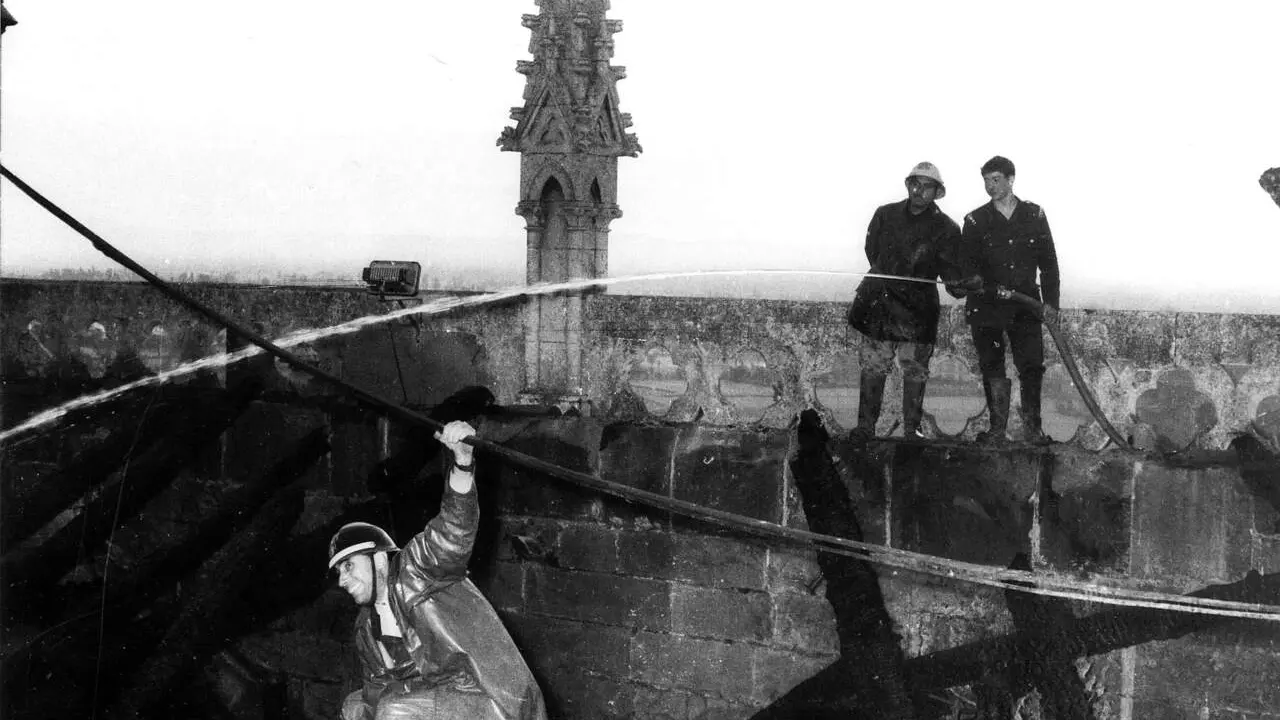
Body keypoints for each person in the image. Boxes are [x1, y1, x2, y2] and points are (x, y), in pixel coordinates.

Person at [330, 420, 547, 720]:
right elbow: (377, 689)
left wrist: (462, 461)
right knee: (354, 708)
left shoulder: (416, 568)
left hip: (482, 693)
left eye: (349, 565)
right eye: (339, 571)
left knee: (396, 712)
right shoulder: (366, 629)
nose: (343, 579)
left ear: (379, 558)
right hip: (436, 699)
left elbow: (453, 532)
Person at [846, 161, 966, 443]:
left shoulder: (947, 228)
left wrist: (962, 283)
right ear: (907, 185)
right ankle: (865, 428)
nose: (919, 191)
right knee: (873, 364)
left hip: (918, 310)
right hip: (880, 304)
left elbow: (951, 274)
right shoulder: (884, 215)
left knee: (915, 368)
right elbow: (872, 250)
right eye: (915, 184)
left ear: (937, 192)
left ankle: (912, 429)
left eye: (926, 187)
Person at [958, 156, 1060, 445]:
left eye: (996, 179)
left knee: (1031, 367)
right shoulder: (975, 220)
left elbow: (1049, 265)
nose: (990, 186)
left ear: (1010, 179)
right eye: (986, 180)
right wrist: (972, 281)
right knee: (992, 366)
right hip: (987, 307)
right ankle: (997, 430)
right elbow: (967, 267)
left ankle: (1033, 430)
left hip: (1026, 305)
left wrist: (1051, 304)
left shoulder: (1034, 215)